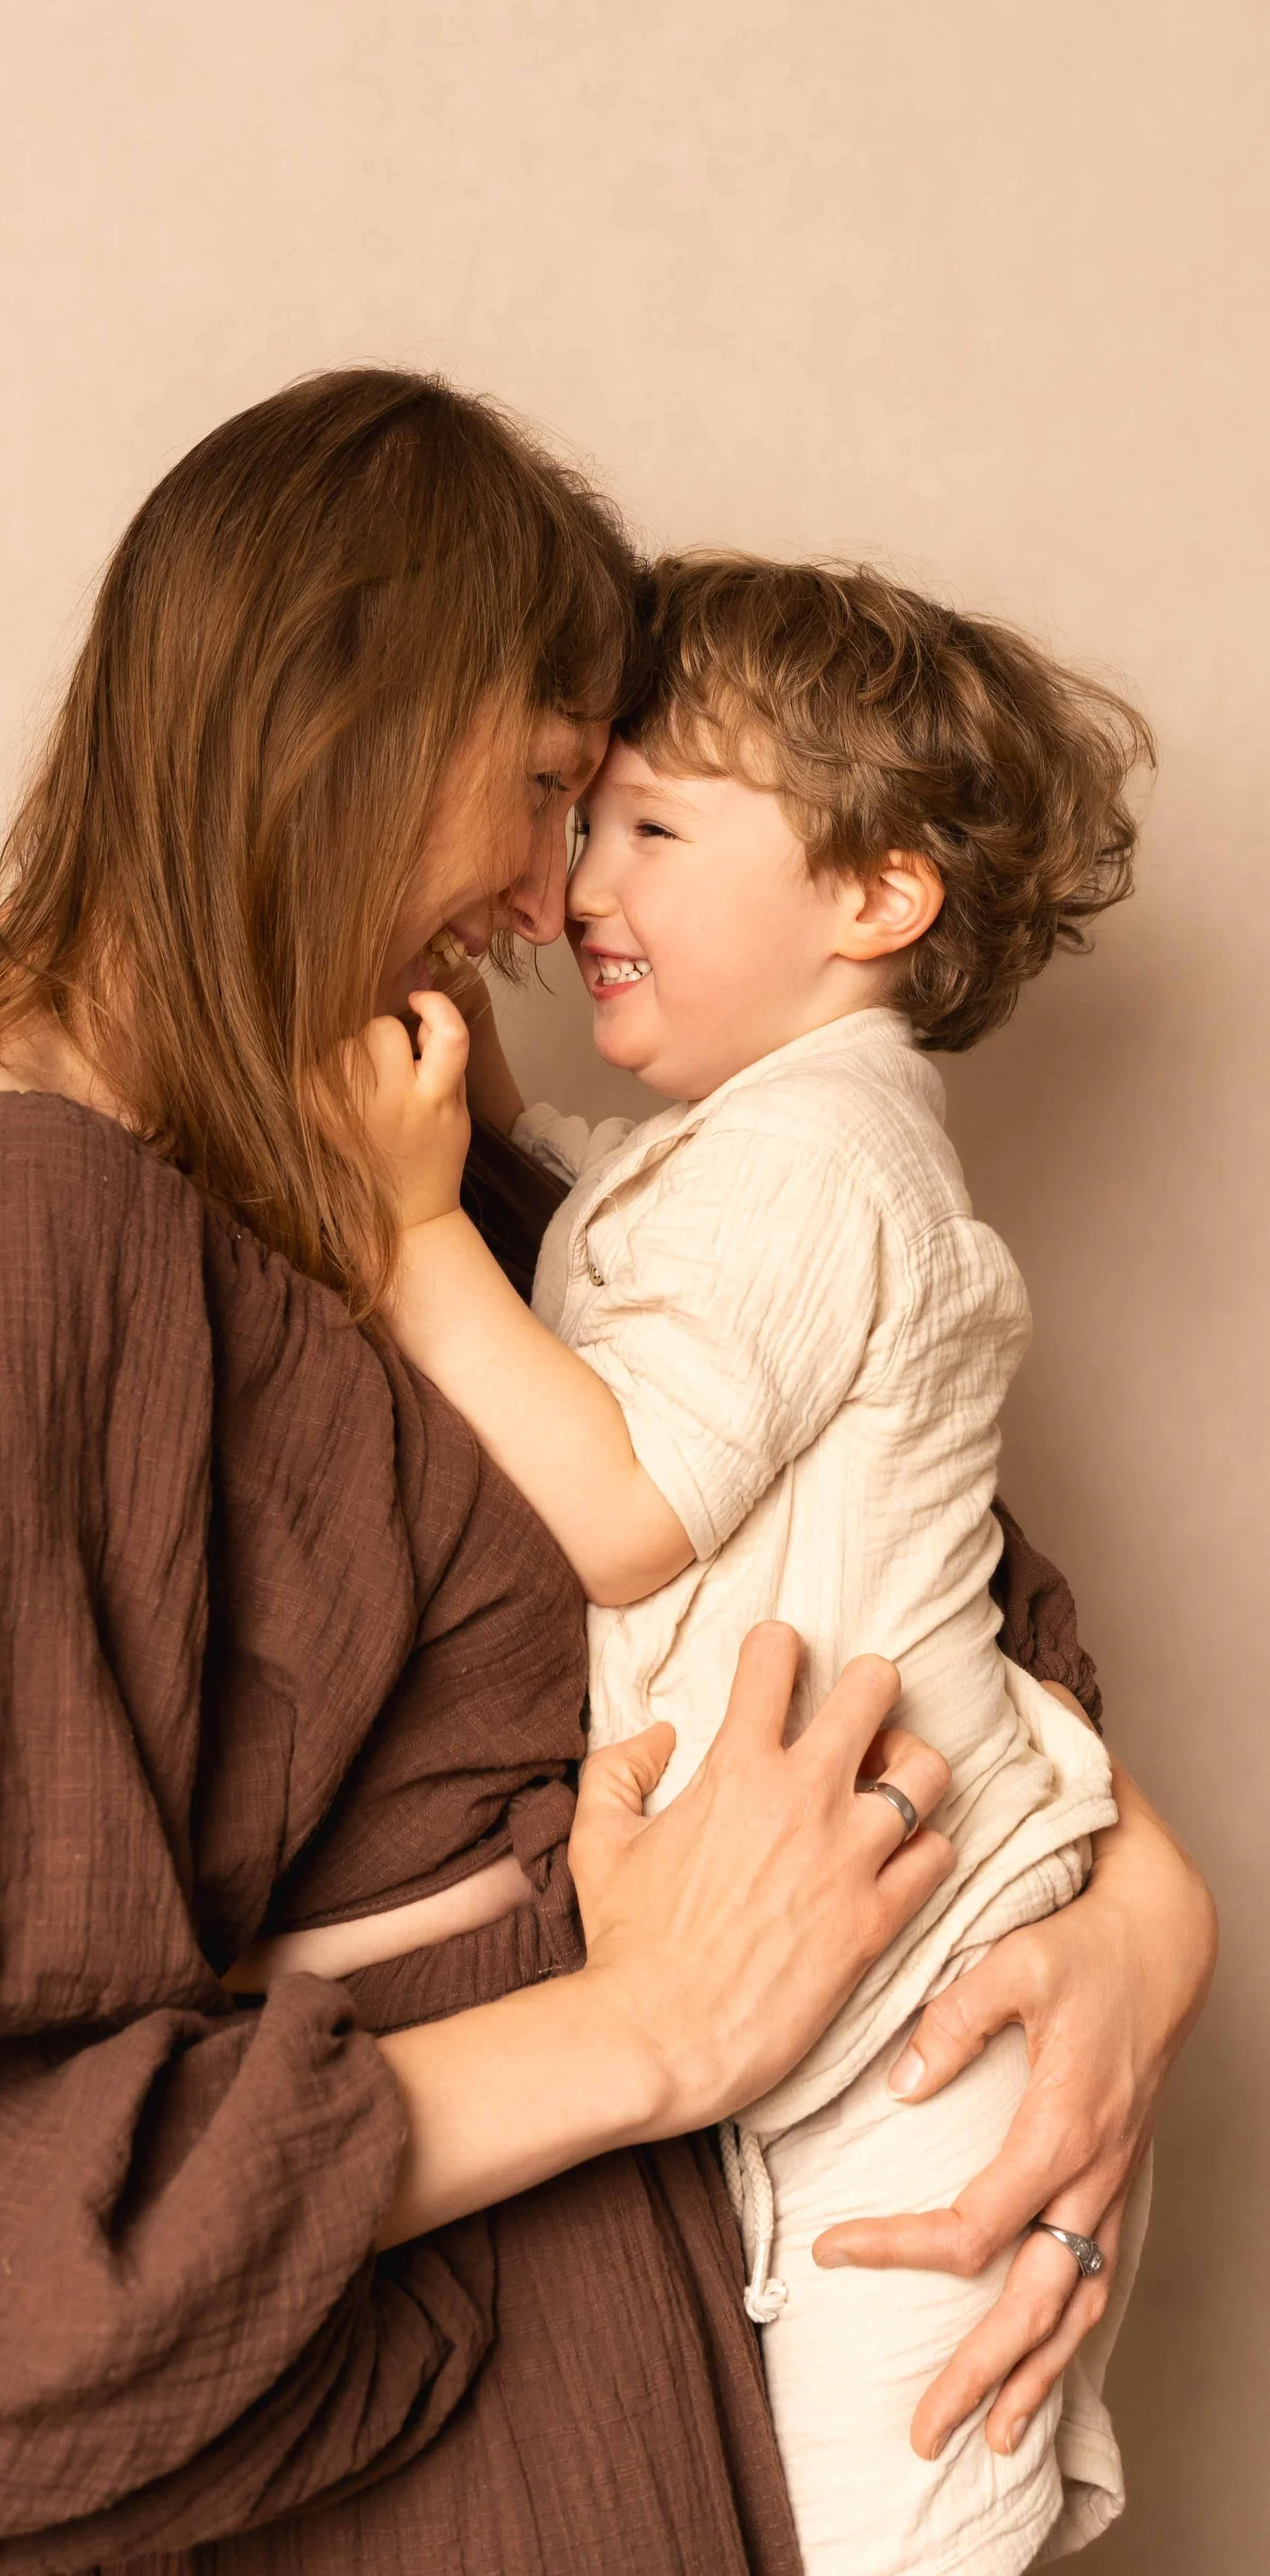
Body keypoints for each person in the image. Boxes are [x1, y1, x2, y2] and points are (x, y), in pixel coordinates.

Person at [0, 374, 1214, 2576]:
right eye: (558, 785)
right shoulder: (8, 1235)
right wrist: (637, 2030)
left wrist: (1138, 1947)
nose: (557, 893)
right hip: (429, 2473)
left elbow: (932, 1595)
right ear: (363, 709)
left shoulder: (437, 1179)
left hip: (715, 2361)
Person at [343, 552, 1163, 2573]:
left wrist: (411, 1227)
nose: (578, 883)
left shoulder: (812, 1161)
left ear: (876, 901)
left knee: (901, 2508)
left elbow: (624, 1500)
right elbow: (616, 1246)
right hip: (823, 1977)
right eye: (577, 814)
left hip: (915, 2020)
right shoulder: (758, 1136)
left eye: (650, 826)